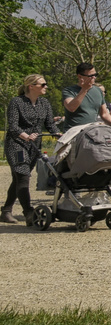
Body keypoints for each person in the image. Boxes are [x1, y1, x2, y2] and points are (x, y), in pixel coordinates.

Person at [3, 75, 60, 224]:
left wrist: (59, 134)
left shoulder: (45, 103)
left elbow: (50, 124)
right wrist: (25, 136)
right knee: (23, 175)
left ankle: (6, 211)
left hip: (34, 146)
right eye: (43, 84)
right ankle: (28, 212)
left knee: (19, 178)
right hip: (17, 144)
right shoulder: (17, 102)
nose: (46, 87)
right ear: (31, 86)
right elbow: (13, 126)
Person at [61, 62, 111, 135]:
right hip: (73, 133)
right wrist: (84, 89)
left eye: (95, 75)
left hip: (91, 133)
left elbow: (104, 114)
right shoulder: (68, 91)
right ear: (80, 76)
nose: (94, 78)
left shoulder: (98, 91)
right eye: (91, 76)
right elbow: (71, 107)